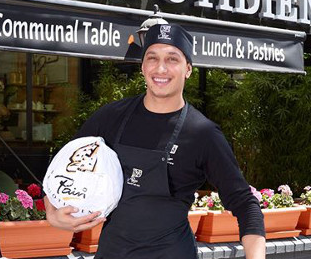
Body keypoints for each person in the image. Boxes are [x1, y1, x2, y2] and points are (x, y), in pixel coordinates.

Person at [45, 24, 266, 259]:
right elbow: (63, 168)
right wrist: (52, 212)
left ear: (188, 69)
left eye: (172, 59)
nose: (161, 68)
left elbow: (245, 204)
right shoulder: (110, 117)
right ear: (143, 67)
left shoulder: (203, 134)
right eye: (152, 58)